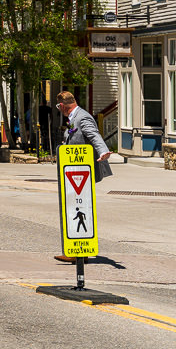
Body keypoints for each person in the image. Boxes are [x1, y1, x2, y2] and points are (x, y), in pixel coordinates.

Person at [54, 90, 112, 264]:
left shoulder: (83, 117)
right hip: (73, 170)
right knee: (74, 207)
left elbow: (94, 135)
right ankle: (78, 250)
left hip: (82, 172)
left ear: (62, 106)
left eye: (59, 107)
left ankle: (78, 251)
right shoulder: (75, 117)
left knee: (76, 208)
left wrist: (103, 151)